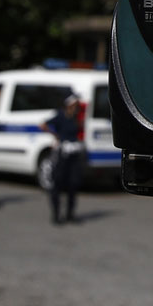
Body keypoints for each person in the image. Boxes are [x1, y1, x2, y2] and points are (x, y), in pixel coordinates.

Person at [42, 94, 86, 224]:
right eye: (74, 105)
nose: (76, 107)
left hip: (74, 152)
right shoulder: (61, 115)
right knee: (57, 182)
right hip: (62, 153)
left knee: (73, 184)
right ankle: (56, 214)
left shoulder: (77, 117)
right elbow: (43, 125)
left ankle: (70, 214)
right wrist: (55, 136)